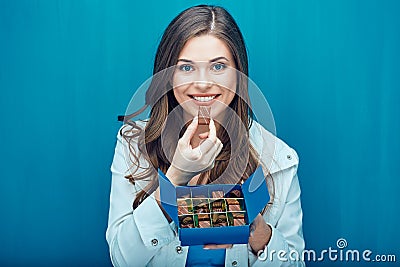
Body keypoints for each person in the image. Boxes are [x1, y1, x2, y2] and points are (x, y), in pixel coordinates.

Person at [106, 5, 305, 267]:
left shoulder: (280, 158)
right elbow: (122, 260)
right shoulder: (133, 144)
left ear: (239, 75)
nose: (202, 83)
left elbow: (295, 263)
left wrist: (260, 234)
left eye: (218, 66)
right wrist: (176, 176)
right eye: (186, 68)